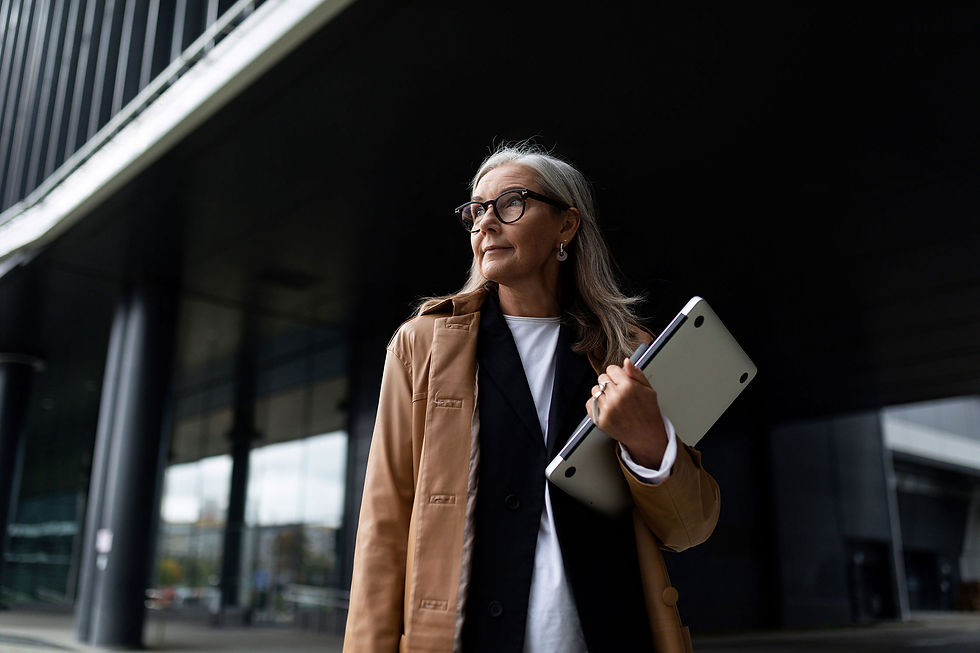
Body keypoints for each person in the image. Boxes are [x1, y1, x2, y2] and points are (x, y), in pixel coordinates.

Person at [343, 142, 720, 653]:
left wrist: (650, 440)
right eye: (476, 210)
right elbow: (383, 528)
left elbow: (690, 528)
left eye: (511, 203)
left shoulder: (628, 352)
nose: (485, 223)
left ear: (567, 225)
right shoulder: (423, 345)